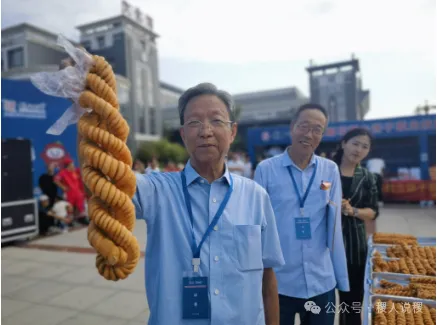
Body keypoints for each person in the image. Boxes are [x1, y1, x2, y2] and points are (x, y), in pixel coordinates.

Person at [77, 82, 285, 324]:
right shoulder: (157, 191)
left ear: (232, 131)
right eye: (194, 122)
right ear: (183, 133)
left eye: (216, 121)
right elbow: (98, 184)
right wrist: (85, 101)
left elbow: (267, 278)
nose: (205, 131)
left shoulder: (256, 197)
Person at [254, 103, 349, 325]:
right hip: (279, 283)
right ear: (292, 127)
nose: (309, 134)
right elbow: (257, 226)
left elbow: (334, 227)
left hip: (321, 281)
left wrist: (341, 279)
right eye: (303, 126)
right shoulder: (266, 170)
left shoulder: (330, 170)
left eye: (317, 129)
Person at [333, 128, 378, 325]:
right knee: (317, 302)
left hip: (354, 246)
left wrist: (354, 211)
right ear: (344, 143)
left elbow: (373, 211)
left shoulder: (368, 177)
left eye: (364, 146)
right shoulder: (325, 169)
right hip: (324, 245)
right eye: (355, 143)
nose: (358, 149)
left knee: (352, 302)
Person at [54, 157, 87, 223]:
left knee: (80, 206)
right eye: (72, 164)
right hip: (70, 193)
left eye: (73, 163)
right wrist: (63, 187)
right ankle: (70, 222)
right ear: (68, 165)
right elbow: (56, 180)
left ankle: (81, 220)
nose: (73, 165)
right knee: (70, 207)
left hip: (78, 192)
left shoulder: (75, 171)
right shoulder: (63, 173)